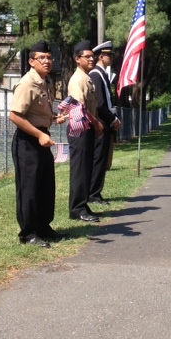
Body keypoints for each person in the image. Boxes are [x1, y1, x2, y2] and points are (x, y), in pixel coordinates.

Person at [9, 40, 65, 248]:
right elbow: (15, 116)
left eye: (50, 58)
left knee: (45, 185)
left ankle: (43, 226)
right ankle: (28, 232)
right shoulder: (27, 83)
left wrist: (53, 118)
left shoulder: (46, 82)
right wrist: (39, 135)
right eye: (42, 58)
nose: (47, 61)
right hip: (28, 141)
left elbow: (39, 112)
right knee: (29, 188)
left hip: (42, 137)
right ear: (32, 61)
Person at [68, 40, 105, 222]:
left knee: (86, 169)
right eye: (87, 56)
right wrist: (97, 123)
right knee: (80, 170)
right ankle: (77, 208)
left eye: (93, 56)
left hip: (87, 128)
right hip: (79, 129)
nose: (91, 59)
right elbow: (79, 108)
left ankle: (83, 204)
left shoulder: (87, 78)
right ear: (77, 59)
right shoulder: (77, 79)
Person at [88, 41, 122, 204]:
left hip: (106, 121)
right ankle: (93, 193)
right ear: (101, 57)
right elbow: (101, 103)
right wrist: (113, 119)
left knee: (103, 159)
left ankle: (96, 192)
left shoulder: (103, 74)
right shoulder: (96, 74)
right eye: (109, 55)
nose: (112, 57)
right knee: (99, 159)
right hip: (101, 122)